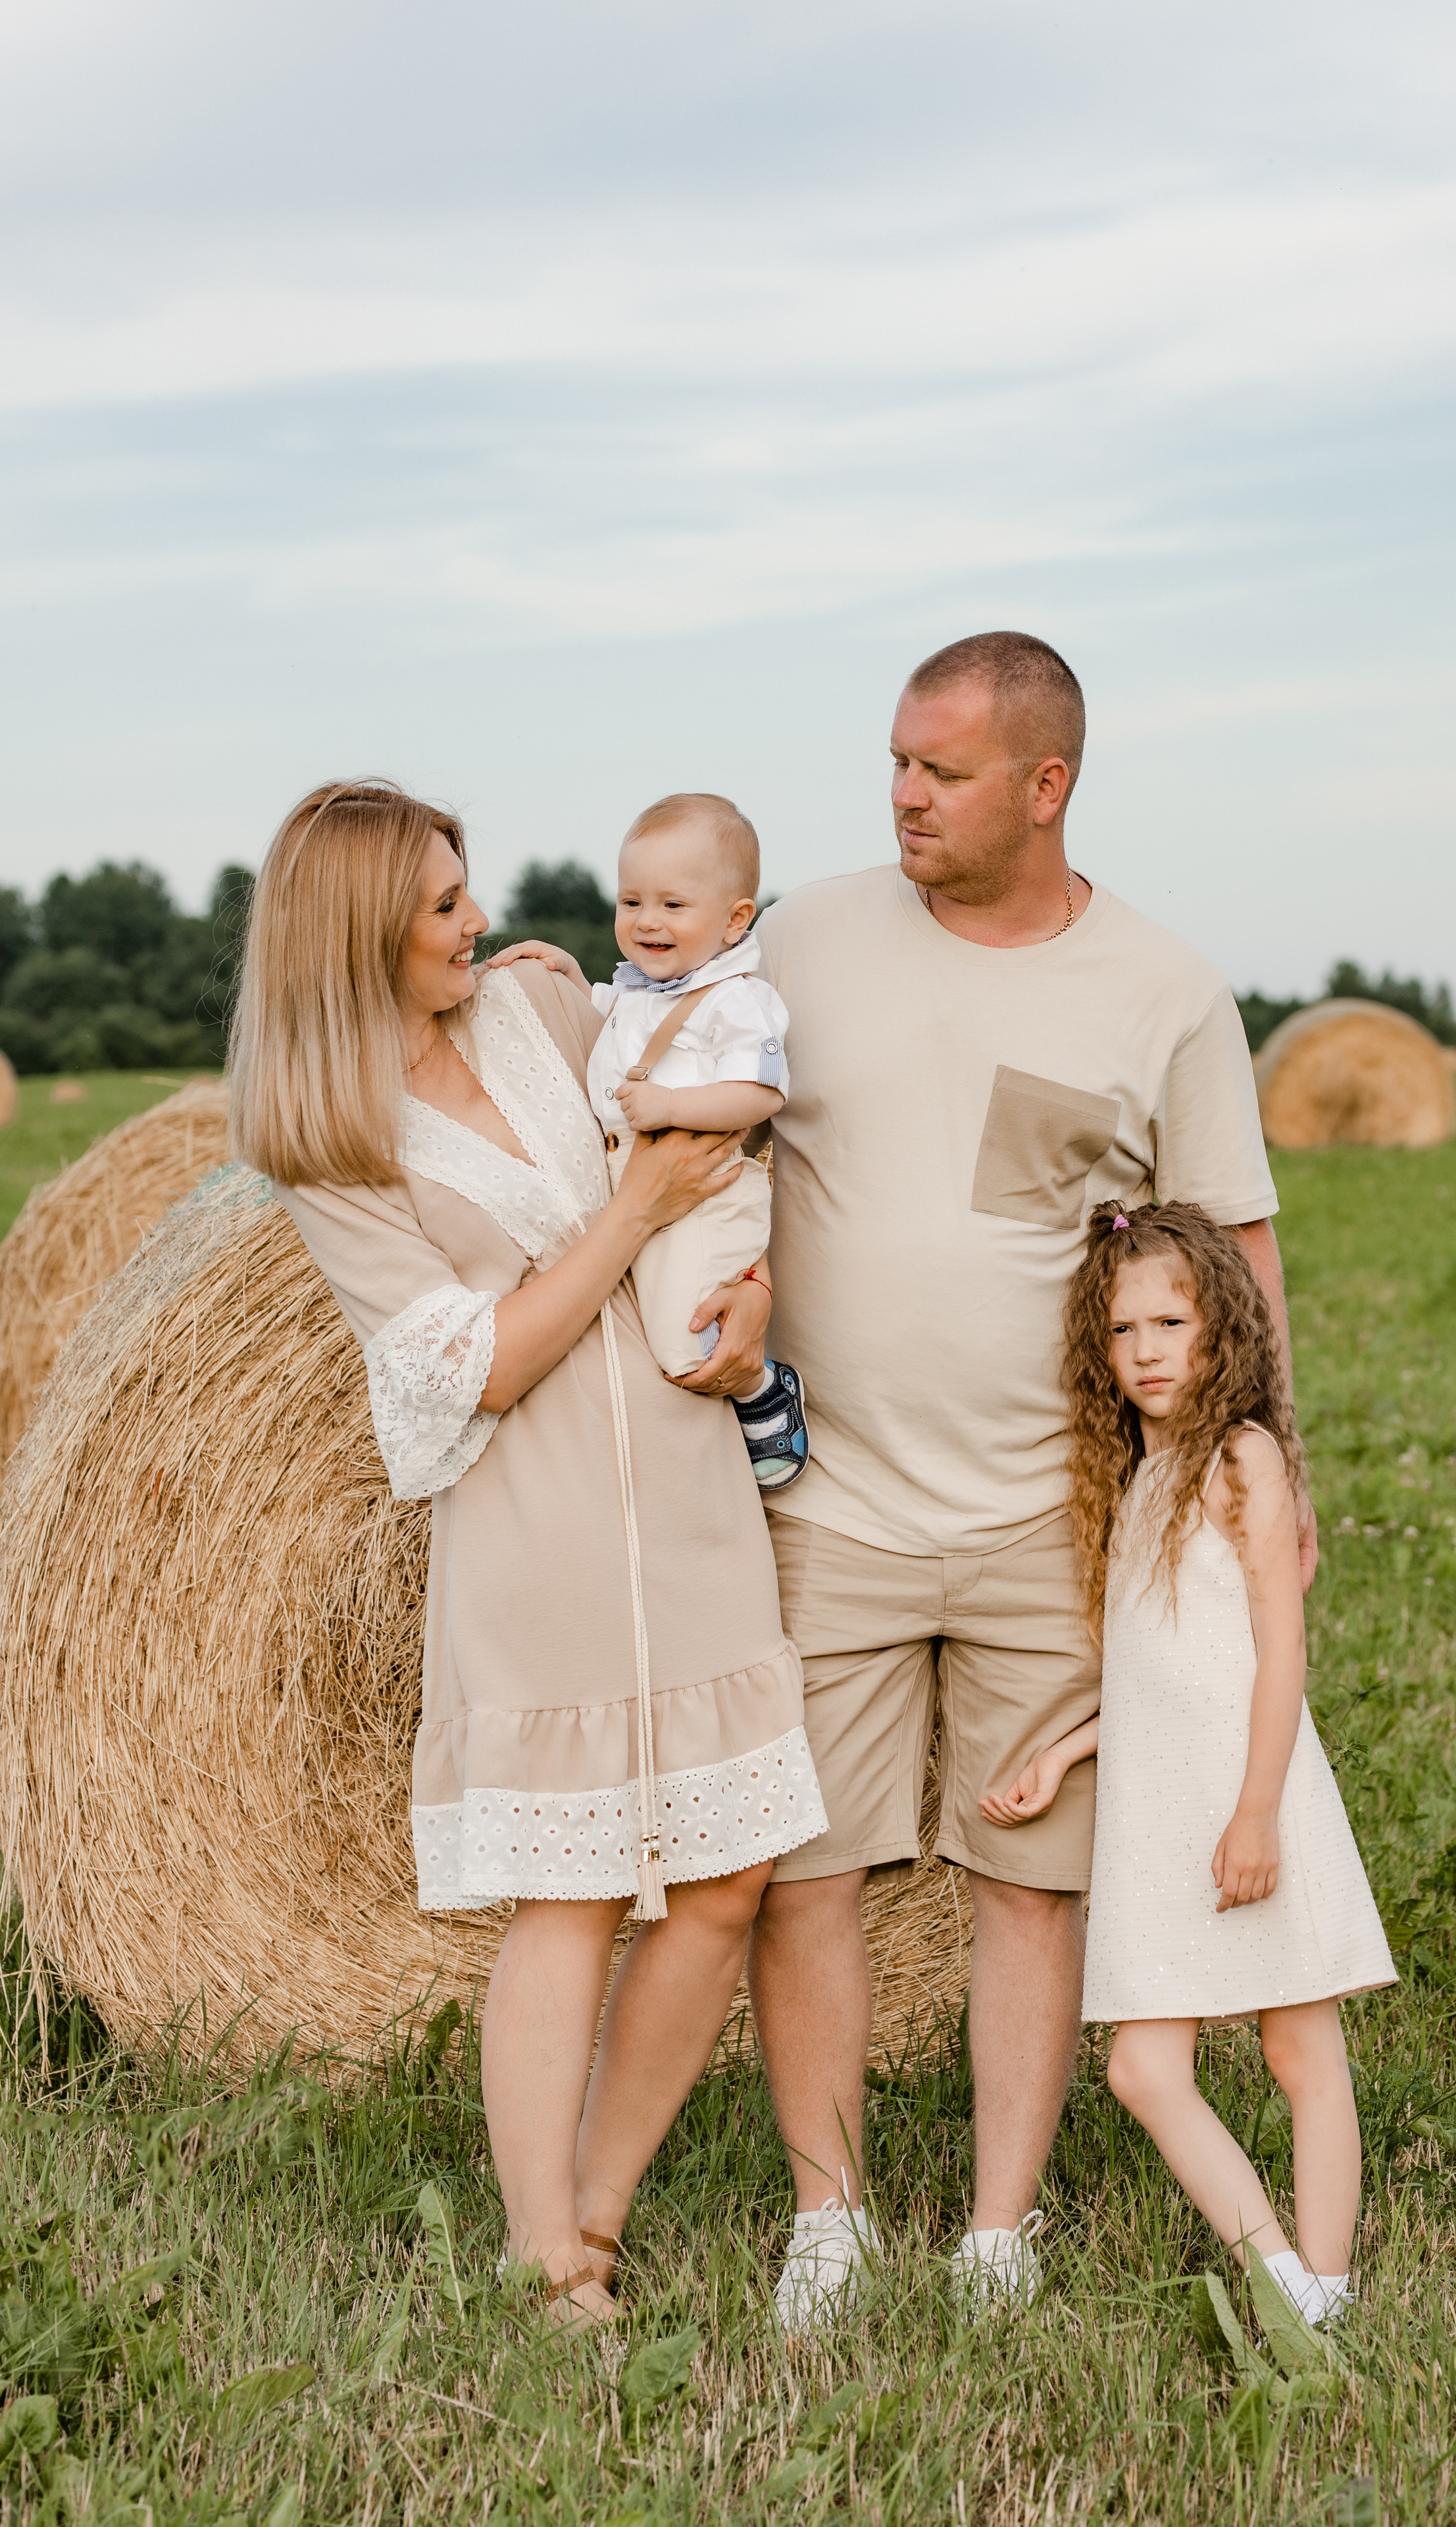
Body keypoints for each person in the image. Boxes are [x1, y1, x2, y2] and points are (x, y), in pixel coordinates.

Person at [745, 631, 1308, 2330]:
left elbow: (1241, 1251)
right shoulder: (810, 937)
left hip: (1054, 1522)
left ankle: (1000, 2231)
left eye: (943, 771)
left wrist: (1270, 1490)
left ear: (1046, 786)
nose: (902, 795)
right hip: (822, 1502)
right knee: (809, 1874)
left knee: (1032, 1882)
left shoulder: (1163, 992)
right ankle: (827, 2220)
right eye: (898, 762)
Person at [226, 779, 826, 2328]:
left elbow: (706, 1112)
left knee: (727, 1877)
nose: (475, 917)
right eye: (438, 904)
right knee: (564, 1898)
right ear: (358, 928)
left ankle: (598, 2204)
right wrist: (627, 1213)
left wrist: (746, 1294)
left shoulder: (544, 1009)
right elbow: (476, 1360)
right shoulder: (329, 1139)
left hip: (694, 1501)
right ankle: (540, 2252)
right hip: (532, 1538)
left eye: (463, 889)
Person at [984, 1202, 1394, 2324]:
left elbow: (1275, 1654)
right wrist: (1064, 1754)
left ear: (1225, 1329)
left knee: (1301, 2047)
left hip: (1245, 1788)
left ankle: (1324, 2285)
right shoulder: (1136, 1477)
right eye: (1124, 1332)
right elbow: (1161, 1670)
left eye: (1173, 1320)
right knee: (1141, 2070)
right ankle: (1285, 2279)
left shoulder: (1241, 1458)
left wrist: (1257, 1812)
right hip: (1159, 1809)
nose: (1149, 1350)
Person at [586, 791, 809, 1488]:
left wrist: (670, 1103)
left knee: (683, 1346)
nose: (647, 921)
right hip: (647, 1196)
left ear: (735, 918)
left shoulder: (734, 999)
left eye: (673, 906)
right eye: (631, 902)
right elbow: (585, 1009)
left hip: (707, 1196)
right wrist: (556, 969)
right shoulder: (639, 990)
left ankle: (764, 1391)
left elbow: (762, 1092)